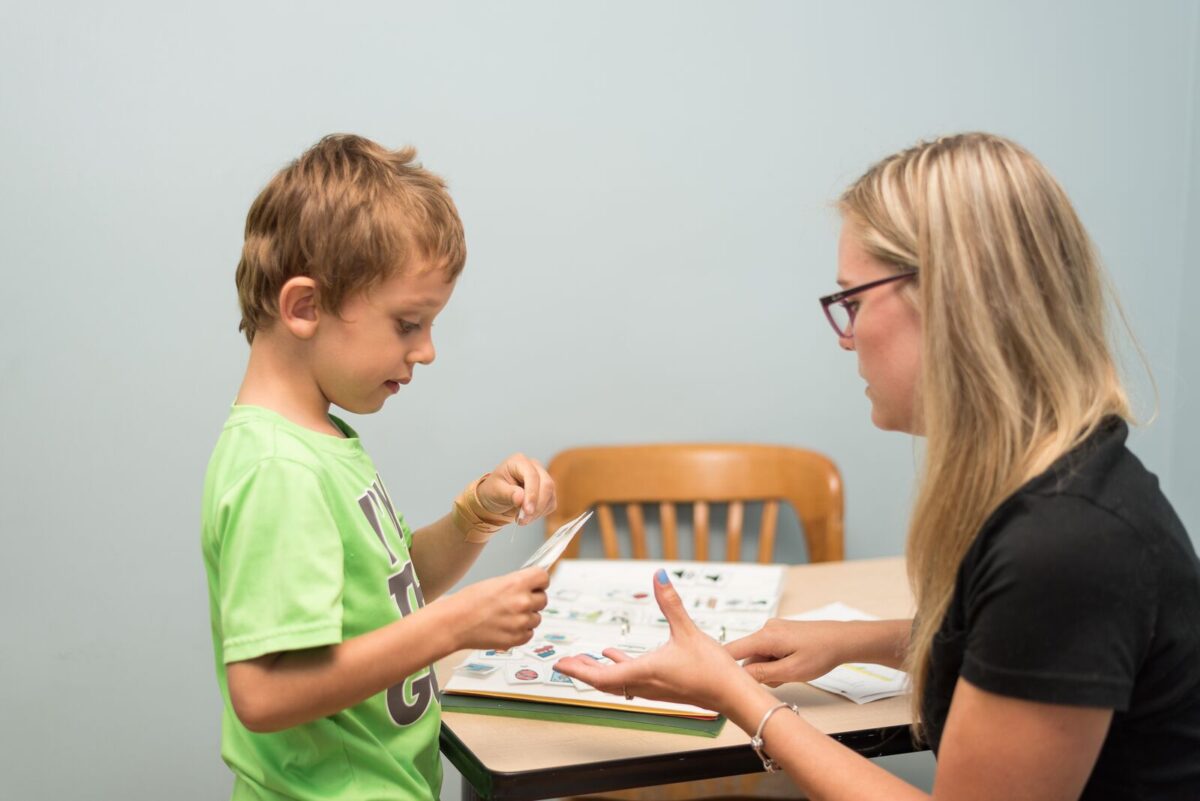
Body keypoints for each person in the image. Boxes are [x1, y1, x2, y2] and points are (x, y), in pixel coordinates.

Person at [556, 132, 1200, 800]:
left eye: (854, 301)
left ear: (949, 299)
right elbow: (1014, 643)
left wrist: (741, 698)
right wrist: (857, 639)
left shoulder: (1066, 547)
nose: (846, 336)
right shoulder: (1063, 482)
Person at [201, 134, 554, 801]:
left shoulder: (322, 439)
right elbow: (262, 691)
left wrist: (473, 517)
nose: (426, 352)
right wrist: (452, 627)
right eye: (407, 323)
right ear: (304, 307)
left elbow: (386, 595)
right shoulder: (279, 468)